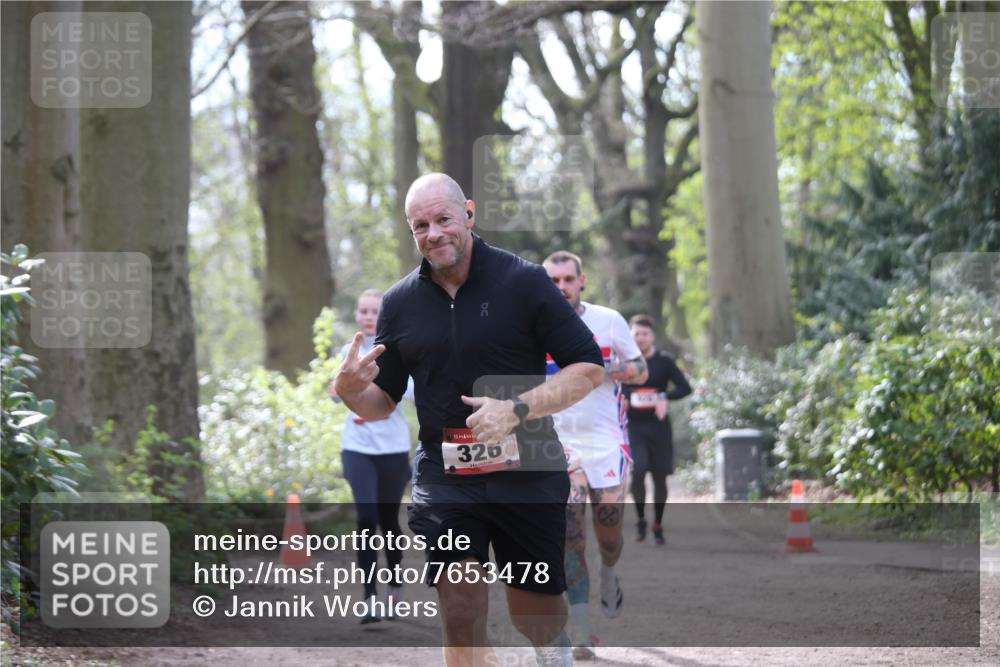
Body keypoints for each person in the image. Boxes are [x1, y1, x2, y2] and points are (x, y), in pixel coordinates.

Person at [333, 173, 605, 667]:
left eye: (443, 219)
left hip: (527, 467)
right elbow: (382, 403)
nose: (433, 233)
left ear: (469, 214)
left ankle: (553, 649)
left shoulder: (522, 281)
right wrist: (350, 390)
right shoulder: (400, 303)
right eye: (420, 225)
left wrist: (517, 408)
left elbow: (587, 368)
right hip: (447, 474)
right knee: (459, 604)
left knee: (536, 614)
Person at [543, 251, 648, 661]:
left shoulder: (608, 320)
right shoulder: (534, 325)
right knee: (571, 536)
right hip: (560, 445)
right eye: (553, 281)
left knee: (608, 535)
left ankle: (608, 568)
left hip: (606, 440)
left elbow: (640, 370)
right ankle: (582, 628)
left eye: (568, 279)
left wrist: (602, 371)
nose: (561, 287)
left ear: (581, 280)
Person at [327, 289, 413, 623]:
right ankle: (369, 597)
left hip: (392, 448)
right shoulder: (348, 351)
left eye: (373, 310)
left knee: (389, 520)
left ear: (384, 314)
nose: (367, 315)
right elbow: (334, 393)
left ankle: (394, 584)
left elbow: (419, 390)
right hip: (357, 446)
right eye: (362, 310)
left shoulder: (399, 351)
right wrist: (341, 385)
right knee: (366, 517)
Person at [622, 314, 692, 545]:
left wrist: (664, 396)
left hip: (659, 426)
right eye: (636, 334)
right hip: (634, 426)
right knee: (639, 470)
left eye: (645, 334)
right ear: (630, 336)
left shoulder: (663, 360)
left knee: (660, 477)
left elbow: (684, 387)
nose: (640, 338)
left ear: (652, 336)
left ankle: (658, 523)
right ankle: (641, 519)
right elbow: (614, 387)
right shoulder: (625, 361)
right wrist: (625, 398)